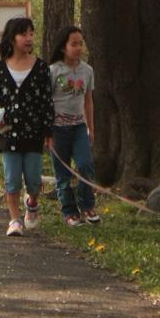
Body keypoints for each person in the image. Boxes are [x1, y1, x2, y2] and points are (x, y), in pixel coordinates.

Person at [0, 16, 54, 237]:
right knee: (12, 179)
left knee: (33, 180)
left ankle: (32, 202)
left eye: (31, 33)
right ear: (12, 38)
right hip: (8, 135)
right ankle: (14, 219)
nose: (29, 38)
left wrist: (48, 132)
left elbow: (47, 102)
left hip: (34, 134)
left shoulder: (41, 68)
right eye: (24, 34)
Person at [48, 26, 99, 226]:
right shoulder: (53, 71)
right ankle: (69, 211)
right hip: (57, 129)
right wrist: (47, 132)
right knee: (63, 174)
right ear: (63, 47)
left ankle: (88, 205)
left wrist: (91, 128)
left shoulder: (87, 71)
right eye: (74, 44)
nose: (79, 48)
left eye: (81, 43)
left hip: (79, 127)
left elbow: (88, 101)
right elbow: (46, 102)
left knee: (86, 165)